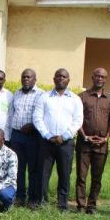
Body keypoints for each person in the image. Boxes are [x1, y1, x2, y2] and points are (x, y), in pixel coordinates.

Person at [33, 68, 83, 211]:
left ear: (68, 80)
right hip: (46, 141)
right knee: (43, 173)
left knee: (65, 173)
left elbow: (78, 120)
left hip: (66, 143)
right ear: (54, 79)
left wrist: (64, 136)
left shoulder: (75, 99)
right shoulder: (44, 97)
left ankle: (62, 204)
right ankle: (42, 201)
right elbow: (37, 118)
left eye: (64, 76)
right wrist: (47, 135)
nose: (61, 78)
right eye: (58, 76)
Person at [77, 67, 110, 214]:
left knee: (97, 178)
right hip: (84, 144)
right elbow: (77, 120)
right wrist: (85, 136)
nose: (100, 79)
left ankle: (91, 205)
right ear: (92, 77)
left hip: (101, 145)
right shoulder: (82, 97)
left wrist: (106, 137)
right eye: (97, 76)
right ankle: (81, 205)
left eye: (103, 77)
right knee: (81, 176)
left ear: (106, 79)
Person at [5, 68, 43, 208]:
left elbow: (43, 116)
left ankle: (33, 199)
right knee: (18, 168)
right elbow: (11, 114)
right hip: (17, 136)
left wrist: (33, 125)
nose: (26, 79)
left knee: (33, 168)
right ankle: (20, 197)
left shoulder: (41, 95)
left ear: (34, 79)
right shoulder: (16, 94)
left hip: (33, 137)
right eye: (23, 77)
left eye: (29, 77)